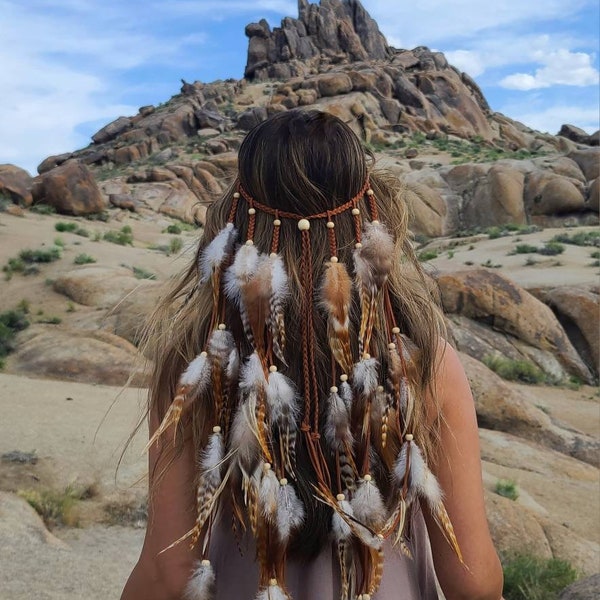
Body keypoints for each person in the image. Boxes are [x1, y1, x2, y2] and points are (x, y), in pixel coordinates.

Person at [121, 109, 503, 600]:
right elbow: (474, 581)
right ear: (371, 216)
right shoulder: (419, 361)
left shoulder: (196, 362)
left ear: (234, 219)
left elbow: (166, 575)